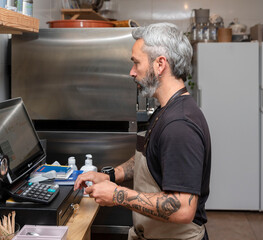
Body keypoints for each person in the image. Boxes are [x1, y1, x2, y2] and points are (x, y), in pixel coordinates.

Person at [74, 22, 211, 240]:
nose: (132, 72)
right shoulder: (165, 110)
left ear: (160, 64)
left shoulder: (180, 125)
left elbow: (183, 208)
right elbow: (147, 157)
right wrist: (111, 175)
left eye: (136, 63)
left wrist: (118, 195)